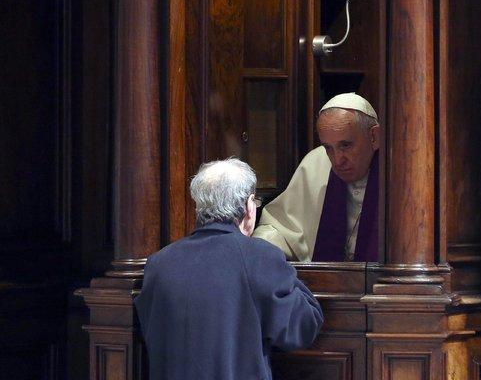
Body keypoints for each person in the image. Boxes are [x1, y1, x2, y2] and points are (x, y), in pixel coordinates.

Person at [134, 158, 323, 380]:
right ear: (249, 206)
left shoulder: (159, 263)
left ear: (199, 206)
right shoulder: (261, 257)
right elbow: (303, 327)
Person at [253, 92, 379, 262]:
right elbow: (280, 229)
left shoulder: (399, 171)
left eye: (346, 145)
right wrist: (259, 247)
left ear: (374, 137)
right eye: (328, 147)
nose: (337, 160)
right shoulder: (316, 162)